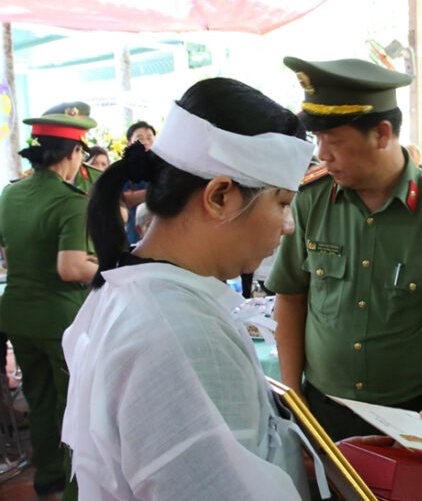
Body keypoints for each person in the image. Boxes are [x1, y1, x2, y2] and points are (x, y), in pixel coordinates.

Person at [61, 78, 317, 500]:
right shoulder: (181, 332)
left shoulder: (138, 286)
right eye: (283, 203)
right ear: (219, 196)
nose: (288, 225)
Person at [266, 57, 422, 441]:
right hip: (322, 404)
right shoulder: (309, 199)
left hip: (407, 411)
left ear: (382, 133)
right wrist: (294, 394)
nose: (322, 155)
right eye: (317, 141)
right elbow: (291, 295)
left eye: (333, 142)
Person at [0, 111, 99, 499]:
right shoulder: (70, 201)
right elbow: (72, 267)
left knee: (38, 399)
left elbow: (9, 252)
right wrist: (114, 267)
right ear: (75, 151)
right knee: (72, 406)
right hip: (60, 321)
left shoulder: (12, 193)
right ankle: (76, 490)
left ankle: (47, 479)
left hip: (18, 315)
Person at [122, 121, 156, 244]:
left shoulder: (163, 169)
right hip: (133, 236)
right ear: (129, 144)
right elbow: (122, 199)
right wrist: (156, 192)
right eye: (140, 138)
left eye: (149, 138)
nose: (146, 142)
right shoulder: (123, 170)